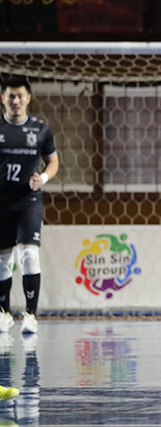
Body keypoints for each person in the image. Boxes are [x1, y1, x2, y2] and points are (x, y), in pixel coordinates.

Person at [0, 76, 58, 335]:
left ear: (28, 99)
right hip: (2, 204)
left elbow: (53, 162)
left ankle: (31, 315)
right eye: (11, 96)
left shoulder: (40, 129)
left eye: (20, 96)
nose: (16, 100)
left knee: (28, 256)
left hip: (28, 202)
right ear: (3, 98)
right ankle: (3, 314)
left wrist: (42, 178)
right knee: (2, 261)